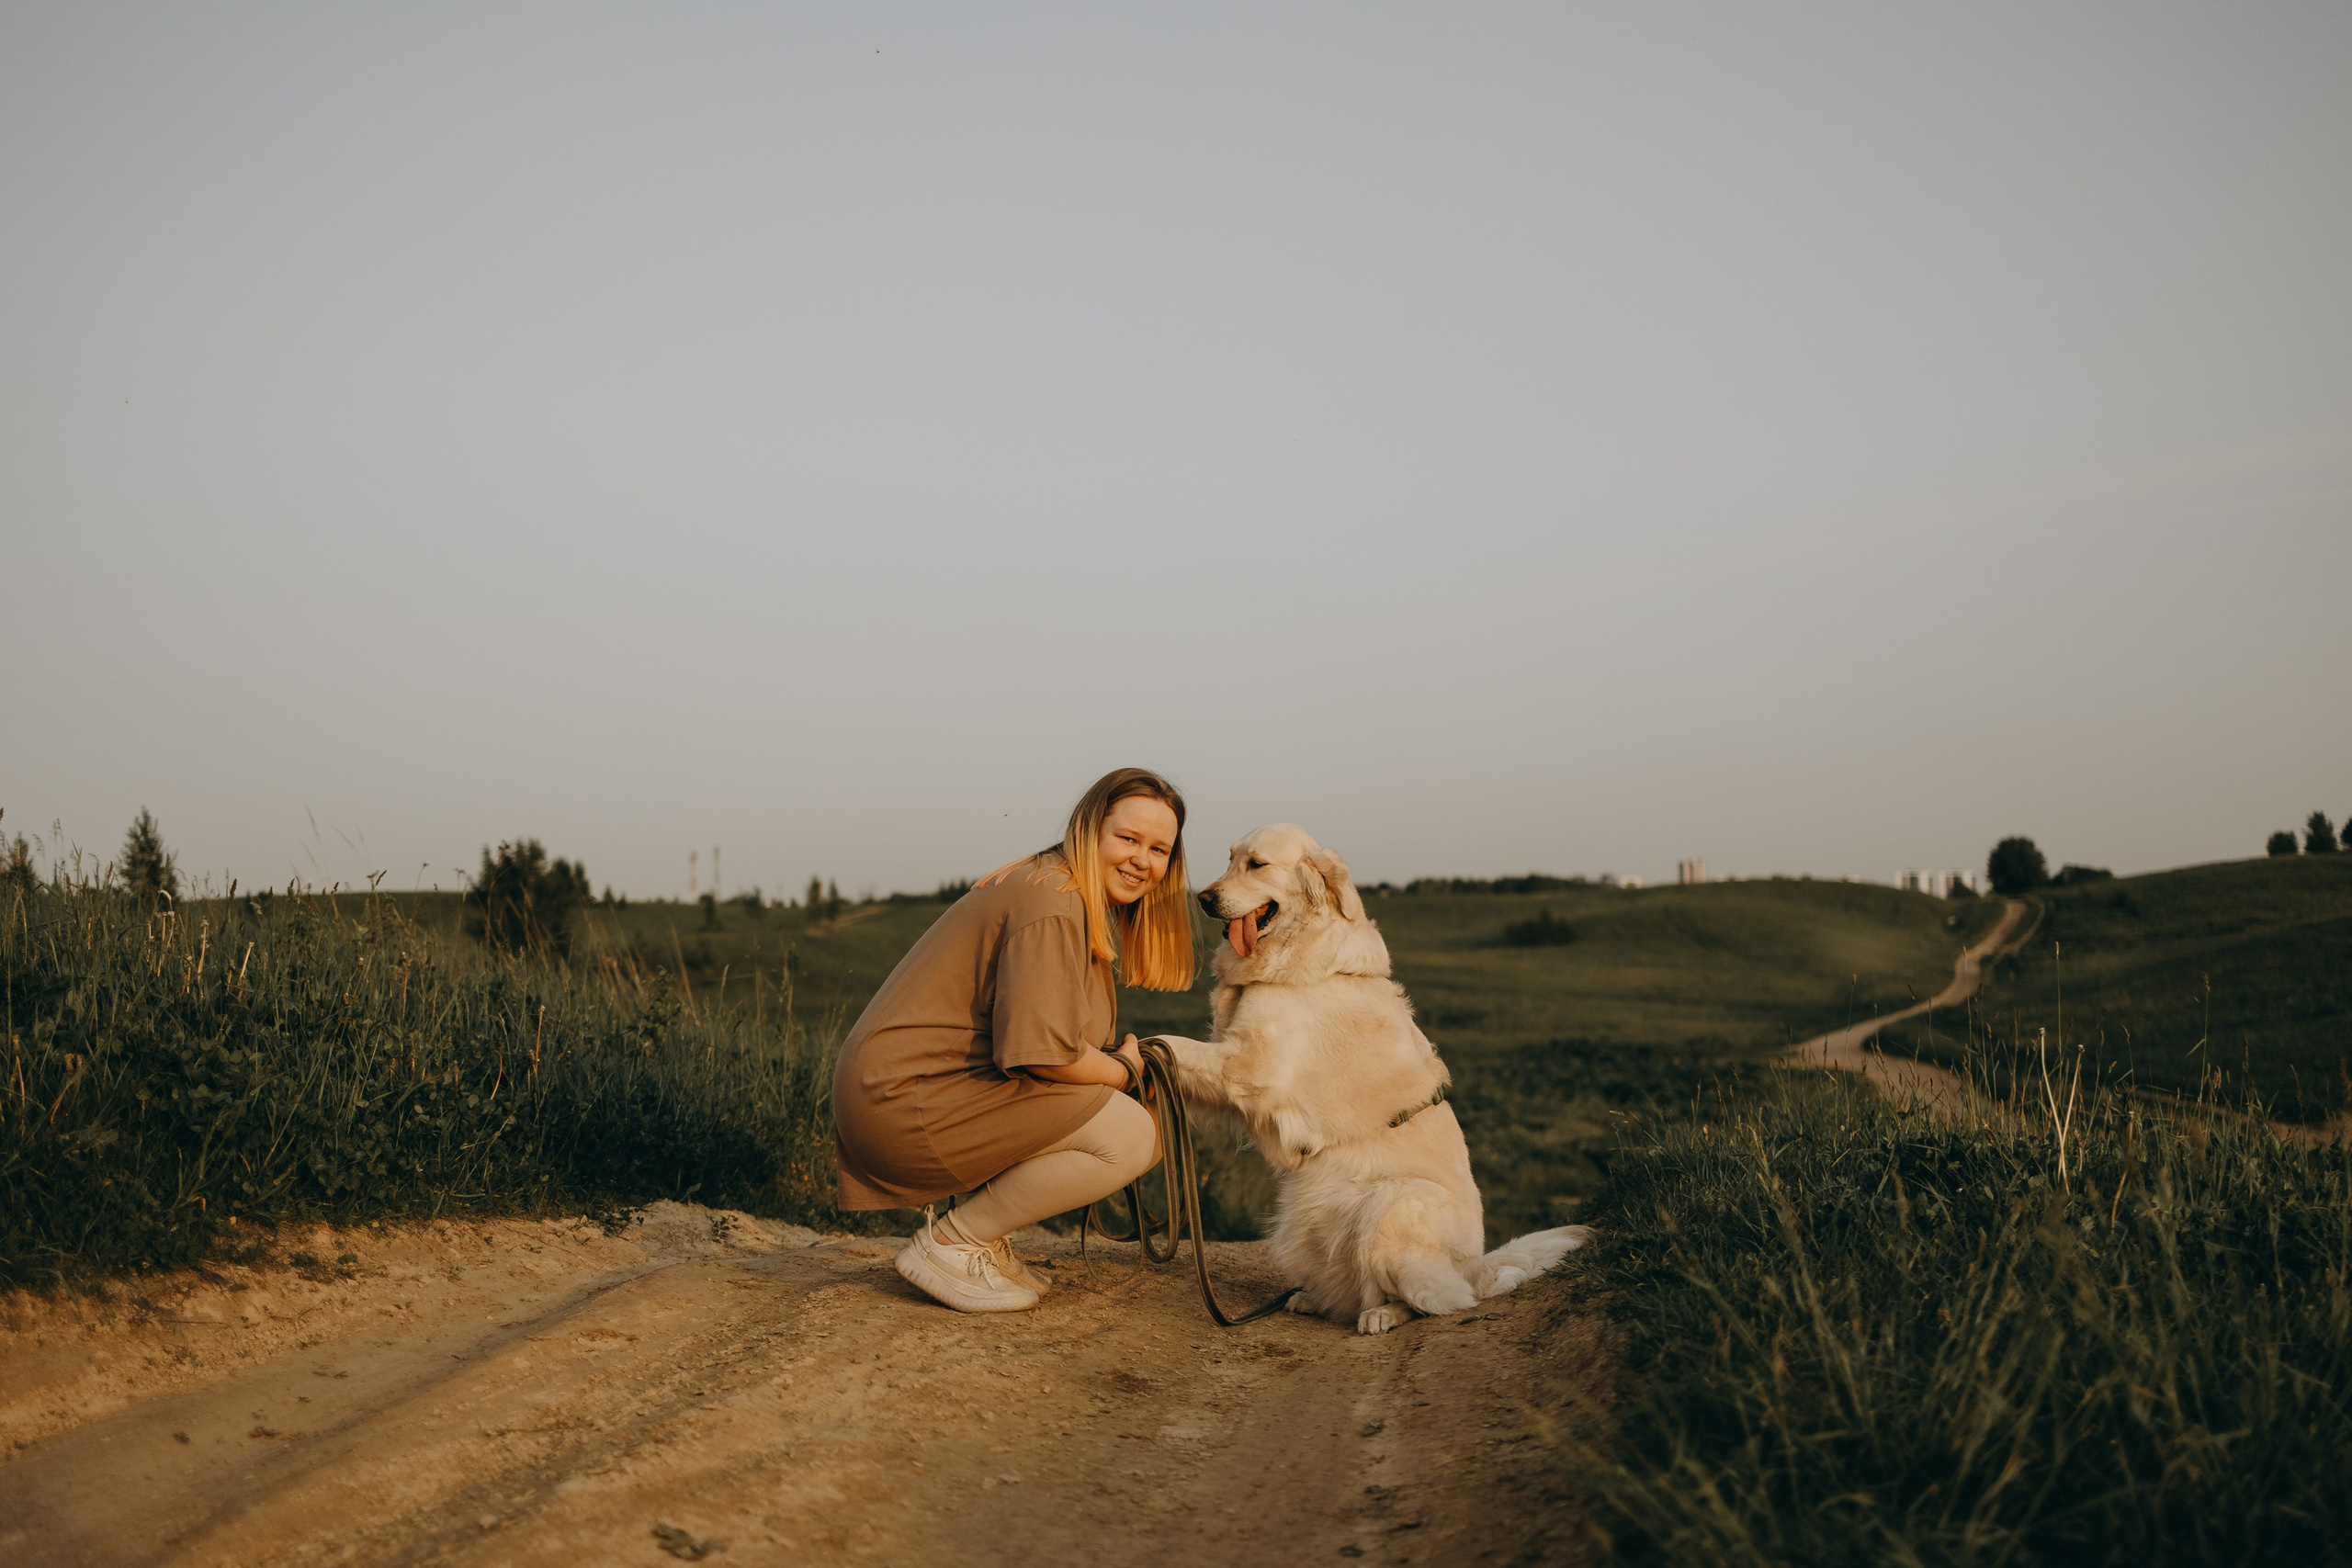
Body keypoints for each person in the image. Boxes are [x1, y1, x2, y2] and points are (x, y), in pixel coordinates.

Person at [831, 767, 1194, 1313]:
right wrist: (1123, 1071)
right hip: (904, 1105)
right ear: (1090, 829)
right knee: (1130, 1136)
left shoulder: (1058, 887)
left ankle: (978, 1235)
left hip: (911, 1093)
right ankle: (955, 1242)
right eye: (1127, 839)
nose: (1142, 860)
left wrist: (1113, 1067)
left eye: (1159, 848)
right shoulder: (1052, 902)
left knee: (1116, 1120)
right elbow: (1044, 1056)